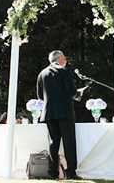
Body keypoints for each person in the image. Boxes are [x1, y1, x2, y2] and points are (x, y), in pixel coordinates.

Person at [37, 50, 79, 180]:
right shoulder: (64, 71)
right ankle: (71, 172)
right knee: (69, 143)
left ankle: (53, 172)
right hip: (65, 112)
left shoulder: (42, 74)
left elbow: (39, 95)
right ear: (59, 59)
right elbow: (72, 91)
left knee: (53, 143)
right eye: (64, 57)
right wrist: (78, 93)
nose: (65, 60)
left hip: (49, 113)